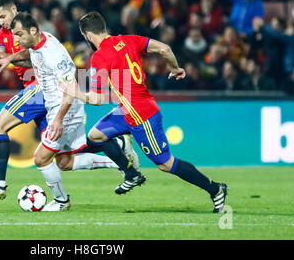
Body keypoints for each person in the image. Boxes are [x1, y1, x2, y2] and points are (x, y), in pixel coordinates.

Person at [0, 0, 139, 202]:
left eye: (2, 16)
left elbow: (35, 58)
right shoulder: (3, 34)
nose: (1, 22)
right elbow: (1, 58)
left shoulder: (28, 30)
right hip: (44, 94)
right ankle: (118, 154)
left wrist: (10, 58)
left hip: (39, 87)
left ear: (13, 9)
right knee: (64, 160)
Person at [60, 11, 228, 213]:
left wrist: (75, 92)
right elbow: (164, 48)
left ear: (87, 35)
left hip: (142, 116)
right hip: (128, 110)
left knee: (166, 164)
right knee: (96, 136)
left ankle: (215, 189)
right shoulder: (129, 40)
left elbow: (97, 99)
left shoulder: (99, 57)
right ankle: (130, 173)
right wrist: (175, 69)